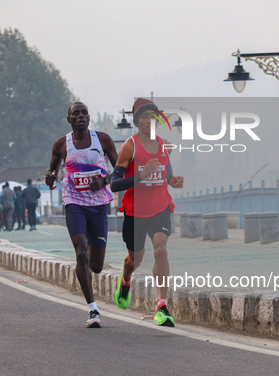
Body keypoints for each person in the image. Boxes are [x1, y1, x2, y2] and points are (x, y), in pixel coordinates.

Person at [110, 98, 184, 327]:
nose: (148, 121)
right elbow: (114, 184)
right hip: (135, 210)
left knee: (161, 250)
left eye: (152, 116)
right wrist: (141, 176)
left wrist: (174, 181)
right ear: (136, 121)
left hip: (160, 206)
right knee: (136, 259)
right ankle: (125, 280)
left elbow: (166, 173)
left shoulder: (164, 145)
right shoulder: (129, 147)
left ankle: (162, 306)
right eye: (143, 117)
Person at [45, 102, 117, 328]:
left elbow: (121, 172)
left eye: (84, 112)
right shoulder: (60, 144)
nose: (81, 116)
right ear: (69, 119)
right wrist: (50, 176)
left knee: (96, 265)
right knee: (81, 253)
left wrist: (103, 181)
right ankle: (93, 310)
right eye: (75, 113)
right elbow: (53, 171)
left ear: (89, 117)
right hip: (74, 202)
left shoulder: (103, 140)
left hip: (99, 205)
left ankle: (92, 270)